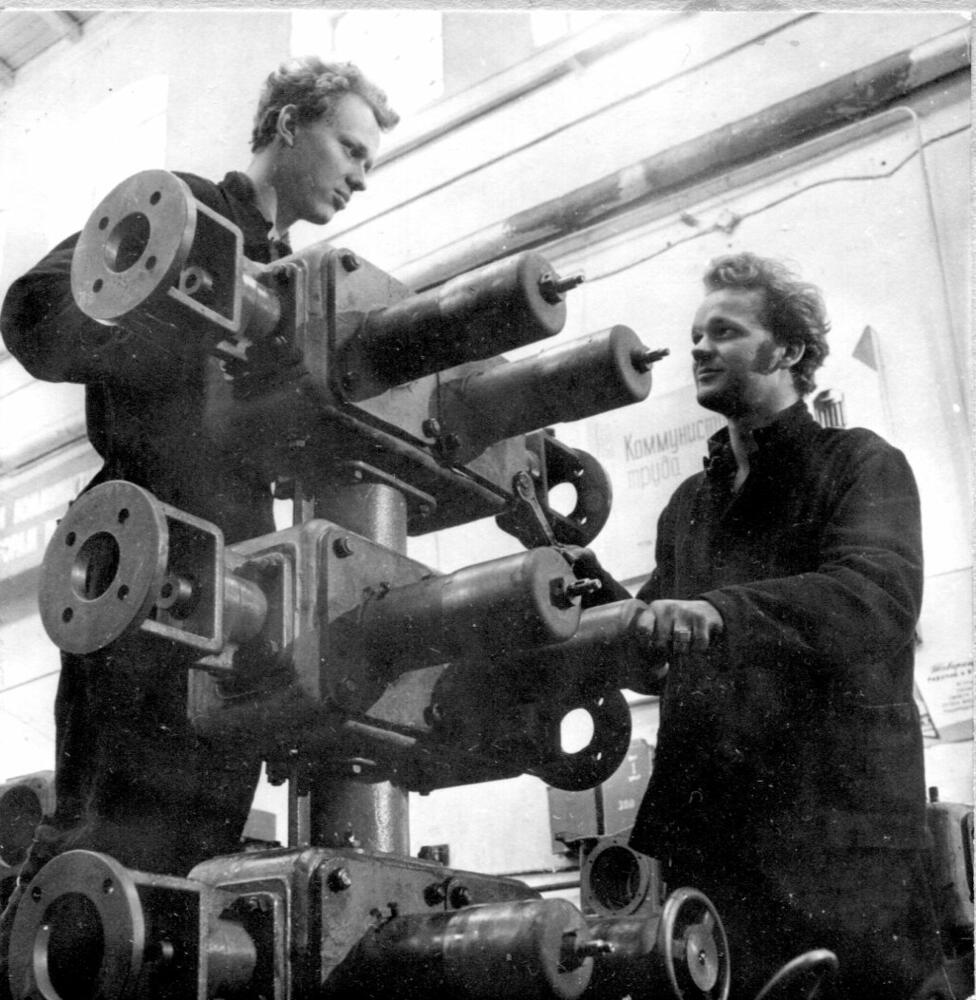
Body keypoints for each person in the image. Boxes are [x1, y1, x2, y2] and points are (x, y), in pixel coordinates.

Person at [0, 55, 398, 939]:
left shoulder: (303, 283)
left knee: (191, 871)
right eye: (351, 148)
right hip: (142, 563)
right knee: (106, 853)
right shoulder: (184, 213)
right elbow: (32, 309)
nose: (361, 177)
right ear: (288, 124)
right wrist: (178, 334)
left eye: (370, 162)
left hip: (242, 592)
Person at [579, 252, 943, 999]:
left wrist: (720, 612)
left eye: (725, 331)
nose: (699, 347)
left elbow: (874, 596)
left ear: (790, 351)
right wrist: (583, 587)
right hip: (715, 853)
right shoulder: (689, 505)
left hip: (837, 851)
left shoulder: (860, 464)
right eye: (696, 334)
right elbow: (656, 653)